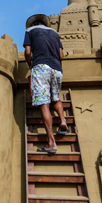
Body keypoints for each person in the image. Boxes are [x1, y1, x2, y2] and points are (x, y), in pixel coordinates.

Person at [23, 14, 69, 154]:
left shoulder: (30, 32)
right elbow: (61, 55)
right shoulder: (55, 33)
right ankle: (63, 121)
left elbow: (28, 52)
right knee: (55, 97)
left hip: (41, 67)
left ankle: (51, 143)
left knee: (44, 103)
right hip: (57, 69)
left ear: (32, 24)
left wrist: (31, 65)